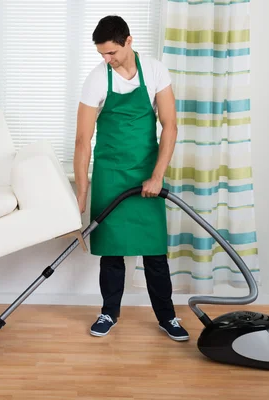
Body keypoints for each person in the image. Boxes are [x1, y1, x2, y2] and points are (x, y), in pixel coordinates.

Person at [73, 15, 189, 341]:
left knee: (154, 253)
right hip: (110, 174)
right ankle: (109, 312)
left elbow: (170, 125)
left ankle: (168, 317)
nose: (106, 60)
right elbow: (83, 141)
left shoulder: (155, 71)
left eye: (111, 53)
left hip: (145, 176)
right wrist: (81, 196)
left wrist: (157, 176)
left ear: (128, 41)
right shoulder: (96, 79)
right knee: (112, 253)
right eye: (101, 55)